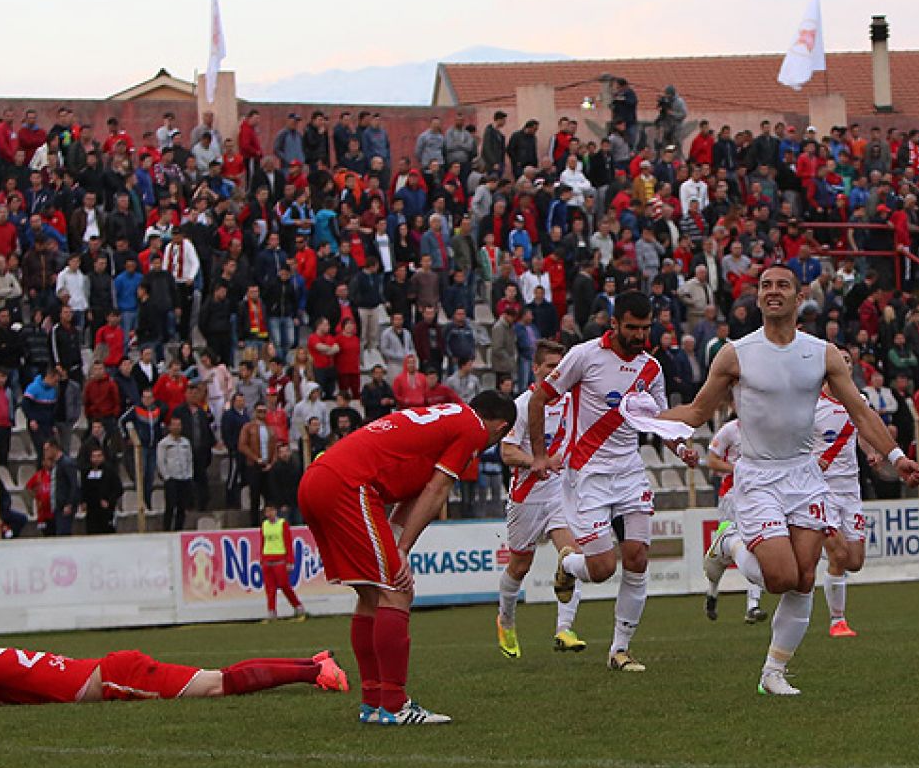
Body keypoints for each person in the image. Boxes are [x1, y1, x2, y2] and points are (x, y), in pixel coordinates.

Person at [659, 266, 919, 696]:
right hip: (758, 477)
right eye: (766, 286)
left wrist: (896, 456)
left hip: (805, 476)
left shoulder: (822, 353)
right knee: (778, 577)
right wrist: (640, 417)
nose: (773, 291)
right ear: (757, 298)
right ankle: (728, 544)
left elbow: (860, 410)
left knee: (803, 578)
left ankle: (773, 673)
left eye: (782, 285)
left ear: (799, 298)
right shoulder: (735, 354)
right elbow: (695, 413)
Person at [296, 390, 515, 725]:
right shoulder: (472, 429)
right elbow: (436, 490)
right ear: (500, 429)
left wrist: (399, 546)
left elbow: (415, 491)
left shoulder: (449, 417)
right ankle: (395, 705)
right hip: (348, 484)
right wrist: (400, 552)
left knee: (372, 594)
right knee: (397, 591)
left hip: (317, 479)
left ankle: (373, 702)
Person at [532, 291, 698, 673]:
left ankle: (620, 649)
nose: (640, 335)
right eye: (632, 328)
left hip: (629, 471)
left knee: (638, 558)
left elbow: (658, 421)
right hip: (587, 473)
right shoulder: (584, 356)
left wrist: (680, 447)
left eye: (646, 327)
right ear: (615, 324)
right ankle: (569, 564)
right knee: (603, 567)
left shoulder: (651, 368)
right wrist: (541, 455)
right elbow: (541, 399)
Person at [495, 339, 585, 659]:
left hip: (559, 492)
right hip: (526, 495)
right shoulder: (522, 405)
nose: (555, 373)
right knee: (520, 566)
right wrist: (535, 460)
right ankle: (505, 620)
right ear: (535, 369)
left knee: (571, 553)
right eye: (549, 367)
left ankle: (565, 628)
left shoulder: (570, 401)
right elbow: (506, 451)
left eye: (559, 368)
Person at [0, 645, 347, 709]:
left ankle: (316, 672)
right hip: (112, 671)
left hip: (117, 675)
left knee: (219, 683)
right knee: (219, 680)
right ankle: (314, 663)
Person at [813, 348, 871, 639]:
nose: (845, 365)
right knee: (838, 554)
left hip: (851, 488)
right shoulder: (811, 403)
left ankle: (827, 570)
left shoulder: (859, 401)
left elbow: (864, 434)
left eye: (849, 361)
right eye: (841, 360)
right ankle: (838, 621)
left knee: (855, 561)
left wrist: (872, 452)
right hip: (822, 489)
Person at [701, 418, 766, 624]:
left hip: (759, 496)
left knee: (756, 545)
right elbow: (712, 460)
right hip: (731, 496)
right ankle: (712, 592)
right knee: (723, 552)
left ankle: (753, 606)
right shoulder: (730, 430)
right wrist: (738, 469)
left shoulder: (766, 428)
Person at [260, 503, 306, 620]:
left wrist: (290, 561)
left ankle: (297, 606)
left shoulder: (282, 524)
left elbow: (288, 542)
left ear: (276, 511)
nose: (269, 514)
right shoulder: (264, 525)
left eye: (271, 511)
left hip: (279, 559)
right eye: (267, 511)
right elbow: (262, 543)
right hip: (267, 559)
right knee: (270, 588)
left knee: (284, 585)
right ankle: (271, 611)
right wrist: (262, 559)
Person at [156, 416, 193, 532]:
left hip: (184, 478)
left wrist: (189, 475)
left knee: (182, 507)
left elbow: (189, 459)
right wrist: (166, 476)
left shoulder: (186, 442)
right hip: (171, 478)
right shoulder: (164, 443)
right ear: (170, 427)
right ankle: (166, 529)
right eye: (174, 425)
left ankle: (179, 529)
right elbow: (161, 461)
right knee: (170, 507)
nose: (176, 427)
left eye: (178, 425)